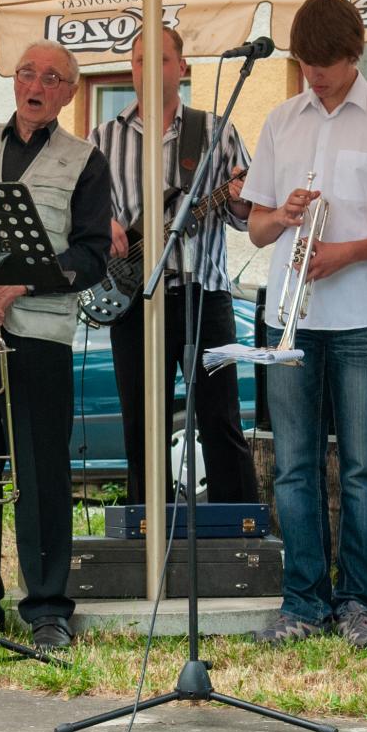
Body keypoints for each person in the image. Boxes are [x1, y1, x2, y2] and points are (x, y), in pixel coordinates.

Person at [245, 0, 367, 651]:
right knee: (292, 467)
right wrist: (282, 215)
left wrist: (347, 253)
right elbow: (256, 226)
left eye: (325, 64)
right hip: (290, 317)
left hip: (364, 320)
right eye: (305, 63)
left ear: (355, 55)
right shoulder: (280, 121)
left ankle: (358, 603)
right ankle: (303, 601)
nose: (314, 75)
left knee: (360, 469)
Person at [0, 40, 112, 652]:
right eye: (27, 73)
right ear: (14, 81)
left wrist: (21, 285)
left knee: (41, 472)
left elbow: (91, 254)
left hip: (38, 336)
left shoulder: (85, 160)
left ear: (69, 91)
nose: (35, 86)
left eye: (51, 78)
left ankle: (48, 609)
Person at [91, 26, 256, 506]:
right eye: (140, 60)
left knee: (221, 419)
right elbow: (80, 214)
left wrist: (241, 197)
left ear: (181, 68)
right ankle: (147, 524)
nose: (148, 69)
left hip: (204, 292)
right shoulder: (103, 138)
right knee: (142, 426)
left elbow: (244, 216)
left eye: (160, 59)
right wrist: (102, 222)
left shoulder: (216, 132)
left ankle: (236, 528)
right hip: (133, 298)